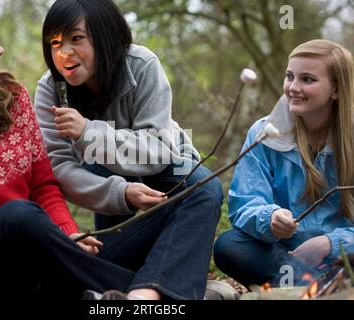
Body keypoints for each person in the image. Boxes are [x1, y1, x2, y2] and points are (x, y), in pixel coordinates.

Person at [0, 0, 145, 300]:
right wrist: (9, 238)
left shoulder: (13, 99)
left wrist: (66, 233)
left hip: (43, 264)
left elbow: (43, 186)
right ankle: (160, 297)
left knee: (187, 201)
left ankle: (124, 298)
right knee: (15, 216)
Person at [34, 0, 223, 300]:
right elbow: (57, 168)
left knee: (204, 188)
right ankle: (168, 288)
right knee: (97, 164)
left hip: (166, 172)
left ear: (105, 34)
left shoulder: (142, 65)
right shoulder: (49, 90)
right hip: (113, 201)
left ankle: (142, 299)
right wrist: (121, 192)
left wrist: (89, 132)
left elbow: (160, 148)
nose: (63, 52)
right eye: (55, 43)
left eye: (76, 38)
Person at [214, 39, 354, 287]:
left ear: (336, 89)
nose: (293, 87)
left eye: (307, 79)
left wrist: (330, 243)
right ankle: (322, 286)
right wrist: (270, 218)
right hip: (282, 253)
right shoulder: (264, 133)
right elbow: (244, 203)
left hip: (344, 253)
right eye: (290, 77)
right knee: (229, 246)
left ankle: (309, 285)